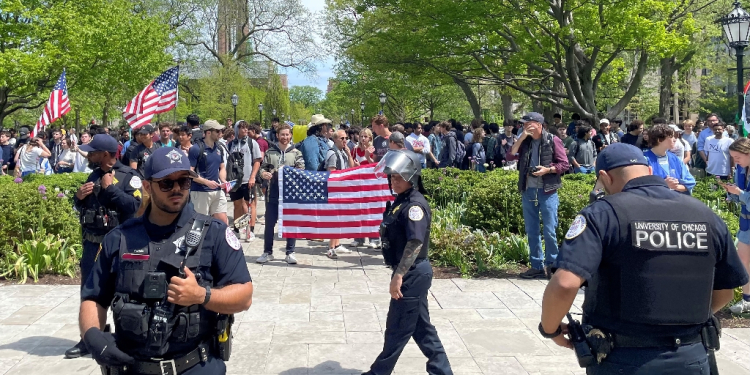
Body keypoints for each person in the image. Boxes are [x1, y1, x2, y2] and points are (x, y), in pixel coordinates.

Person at [539, 142, 748, 374]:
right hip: (692, 356)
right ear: (649, 171)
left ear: (604, 177)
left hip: (623, 358)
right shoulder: (705, 215)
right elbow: (726, 291)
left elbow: (565, 284)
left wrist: (551, 330)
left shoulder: (603, 214)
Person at [78, 146, 253, 374]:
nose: (177, 189)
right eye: (167, 183)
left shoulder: (214, 233)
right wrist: (93, 337)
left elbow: (244, 296)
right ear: (148, 186)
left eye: (184, 181)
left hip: (195, 366)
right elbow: (94, 298)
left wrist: (202, 295)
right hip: (132, 367)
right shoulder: (120, 238)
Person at [362, 149, 453, 375]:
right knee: (422, 330)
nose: (394, 181)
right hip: (412, 273)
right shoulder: (400, 201)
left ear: (412, 176)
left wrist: (399, 275)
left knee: (397, 328)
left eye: (399, 177)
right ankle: (442, 371)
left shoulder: (414, 206)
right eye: (392, 176)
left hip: (412, 273)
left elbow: (415, 243)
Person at [65, 134, 142, 359]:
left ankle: (127, 338)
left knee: (124, 294)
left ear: (106, 154)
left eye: (93, 152)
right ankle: (89, 339)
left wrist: (112, 190)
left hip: (120, 246)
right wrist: (79, 198)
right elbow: (86, 208)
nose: (89, 155)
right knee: (90, 294)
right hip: (93, 245)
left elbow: (135, 207)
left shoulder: (130, 176)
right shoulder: (94, 174)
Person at [509, 112, 569, 279]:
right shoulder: (525, 141)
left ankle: (552, 266)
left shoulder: (552, 140)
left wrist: (547, 170)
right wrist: (521, 138)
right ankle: (536, 265)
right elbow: (510, 155)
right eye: (523, 124)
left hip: (547, 191)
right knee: (532, 230)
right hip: (528, 190)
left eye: (527, 123)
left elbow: (564, 164)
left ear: (538, 124)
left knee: (549, 230)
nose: (524, 126)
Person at [257, 124, 305, 264]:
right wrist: (263, 173)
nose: (285, 137)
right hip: (272, 192)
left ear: (291, 136)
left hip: (290, 194)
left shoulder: (296, 153)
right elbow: (262, 168)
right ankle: (267, 252)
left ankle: (290, 252)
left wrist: (288, 170)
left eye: (287, 134)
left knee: (290, 223)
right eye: (282, 134)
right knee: (269, 223)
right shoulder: (270, 152)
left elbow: (301, 170)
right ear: (277, 135)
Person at [722, 138, 750, 314]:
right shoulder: (741, 169)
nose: (735, 161)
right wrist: (731, 194)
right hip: (746, 222)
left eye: (738, 157)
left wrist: (739, 193)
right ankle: (747, 299)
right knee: (743, 261)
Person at [189, 120, 228, 224]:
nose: (220, 133)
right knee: (200, 224)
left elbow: (222, 167)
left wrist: (223, 180)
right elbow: (189, 172)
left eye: (221, 130)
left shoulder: (219, 148)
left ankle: (221, 240)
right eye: (218, 131)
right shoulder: (196, 149)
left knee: (223, 222)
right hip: (200, 191)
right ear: (208, 132)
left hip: (217, 190)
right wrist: (206, 182)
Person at [325, 130, 357, 259]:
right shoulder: (332, 153)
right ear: (335, 139)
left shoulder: (343, 152)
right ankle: (331, 247)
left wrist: (349, 154)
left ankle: (337, 244)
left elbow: (352, 167)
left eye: (346, 138)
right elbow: (331, 172)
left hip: (342, 189)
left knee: (340, 218)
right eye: (342, 138)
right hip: (335, 190)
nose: (345, 140)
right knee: (335, 219)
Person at [228, 121, 262, 241]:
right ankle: (237, 229)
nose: (245, 130)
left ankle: (250, 230)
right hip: (235, 181)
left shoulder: (252, 143)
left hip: (248, 180)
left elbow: (257, 161)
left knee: (250, 205)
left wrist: (253, 176)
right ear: (237, 129)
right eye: (242, 128)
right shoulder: (231, 144)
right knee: (237, 205)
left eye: (246, 128)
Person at [643, 125, 695, 194]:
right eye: (671, 137)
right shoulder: (644, 159)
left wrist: (674, 186)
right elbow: (642, 187)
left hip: (676, 201)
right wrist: (664, 185)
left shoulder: (675, 159)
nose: (675, 139)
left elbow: (690, 183)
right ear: (660, 140)